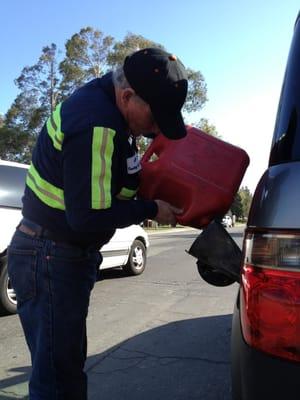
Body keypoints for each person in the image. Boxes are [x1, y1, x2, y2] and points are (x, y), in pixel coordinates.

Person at [7, 47, 188, 400]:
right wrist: (150, 209)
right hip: (50, 258)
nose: (155, 131)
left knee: (65, 370)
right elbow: (87, 217)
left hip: (57, 255)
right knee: (58, 383)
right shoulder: (97, 124)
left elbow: (109, 182)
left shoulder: (111, 109)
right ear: (127, 95)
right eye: (154, 118)